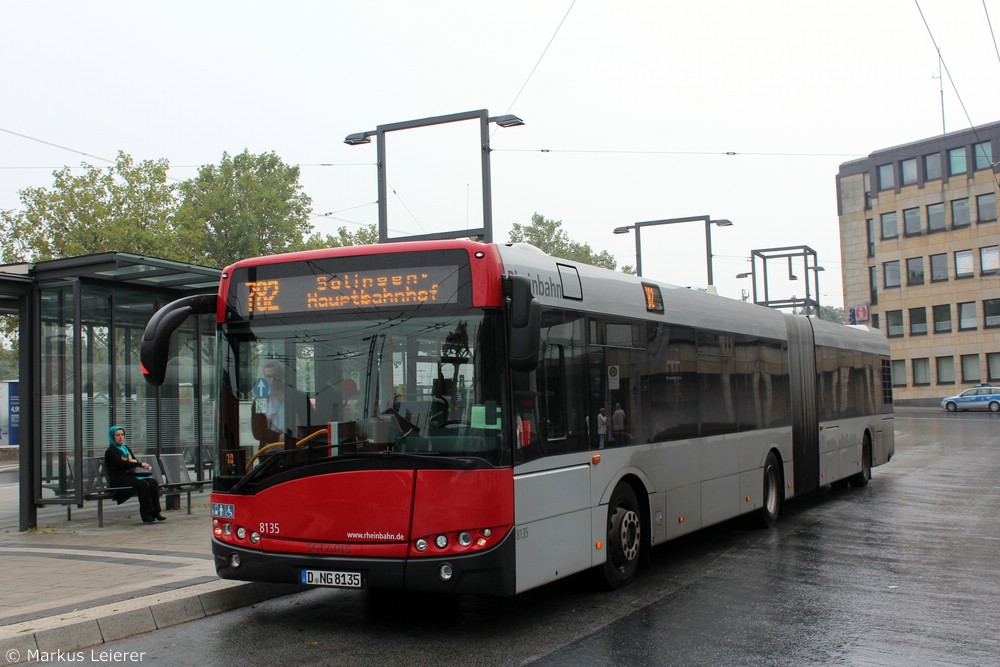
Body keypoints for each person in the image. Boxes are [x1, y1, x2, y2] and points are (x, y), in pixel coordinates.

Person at [104, 425, 165, 524]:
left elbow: (132, 461)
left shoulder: (125, 448)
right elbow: (122, 464)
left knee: (153, 482)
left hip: (130, 476)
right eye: (117, 435)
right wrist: (135, 463)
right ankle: (146, 514)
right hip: (119, 479)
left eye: (122, 435)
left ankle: (156, 512)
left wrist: (131, 461)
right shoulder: (111, 451)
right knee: (143, 484)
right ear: (112, 437)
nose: (120, 437)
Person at [252, 360, 311, 446]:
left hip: (297, 449)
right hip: (269, 453)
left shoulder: (299, 397)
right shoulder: (261, 400)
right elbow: (258, 431)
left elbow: (310, 426)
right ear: (264, 377)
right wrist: (278, 437)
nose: (272, 380)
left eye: (275, 376)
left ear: (282, 376)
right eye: (268, 376)